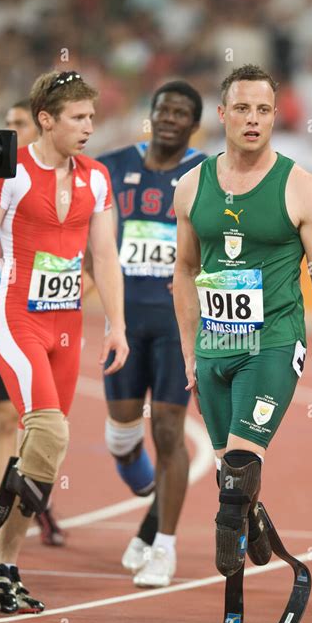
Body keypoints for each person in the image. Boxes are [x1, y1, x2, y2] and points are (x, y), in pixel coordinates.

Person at [173, 64, 312, 577]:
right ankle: (249, 512)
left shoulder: (303, 189)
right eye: (244, 109)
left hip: (272, 343)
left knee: (237, 474)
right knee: (230, 473)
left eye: (265, 110)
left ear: (276, 117)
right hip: (213, 347)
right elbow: (184, 271)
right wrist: (190, 352)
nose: (254, 119)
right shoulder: (190, 187)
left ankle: (230, 594)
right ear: (223, 114)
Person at [0, 70, 128, 614]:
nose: (89, 127)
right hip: (17, 317)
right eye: (77, 117)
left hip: (67, 327)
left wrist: (116, 325)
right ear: (46, 120)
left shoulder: (97, 177)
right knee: (45, 430)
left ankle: (5, 566)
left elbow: (105, 258)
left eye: (92, 117)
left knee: (46, 452)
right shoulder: (13, 172)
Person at [94, 81, 206, 587]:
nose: (169, 118)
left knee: (167, 431)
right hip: (122, 321)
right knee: (121, 436)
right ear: (152, 113)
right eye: (163, 109)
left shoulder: (208, 173)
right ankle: (149, 500)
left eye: (181, 113)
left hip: (176, 323)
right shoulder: (112, 166)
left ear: (194, 124)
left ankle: (164, 545)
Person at [0, 99, 65, 547]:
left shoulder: (33, 182)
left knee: (9, 420)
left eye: (20, 127)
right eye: (6, 129)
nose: (10, 138)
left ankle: (10, 516)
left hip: (9, 313)